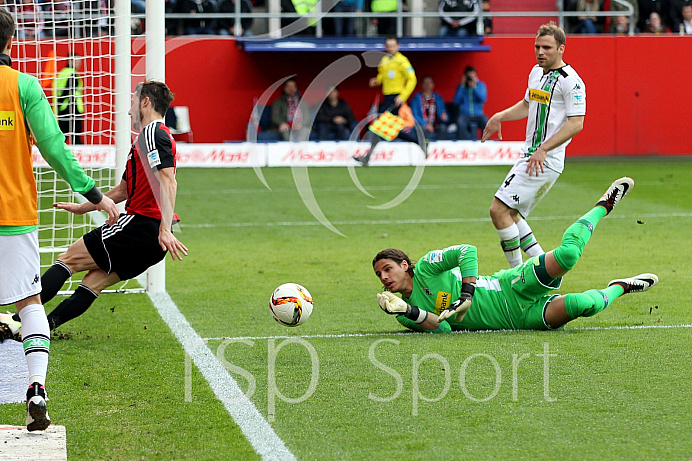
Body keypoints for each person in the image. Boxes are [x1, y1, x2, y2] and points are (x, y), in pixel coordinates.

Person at [0, 9, 119, 432]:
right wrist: (95, 195)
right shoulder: (23, 86)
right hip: (13, 217)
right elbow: (55, 150)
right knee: (30, 304)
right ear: (12, 43)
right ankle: (35, 388)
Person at [0, 80, 187, 345]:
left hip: (142, 227)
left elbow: (169, 180)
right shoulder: (148, 139)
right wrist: (86, 205)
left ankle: (18, 321)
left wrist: (164, 229)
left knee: (68, 259)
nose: (129, 109)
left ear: (146, 102)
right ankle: (46, 327)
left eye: (133, 102)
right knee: (93, 282)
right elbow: (123, 190)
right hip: (153, 241)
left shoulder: (152, 134)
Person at [374, 177, 658, 333]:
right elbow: (442, 329)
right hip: (521, 320)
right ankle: (620, 287)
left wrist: (467, 294)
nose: (384, 277)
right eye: (379, 275)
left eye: (387, 268)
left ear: (404, 265)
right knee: (582, 304)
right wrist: (407, 310)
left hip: (511, 286)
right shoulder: (402, 314)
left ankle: (603, 206)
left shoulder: (426, 267)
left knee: (569, 255)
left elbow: (466, 251)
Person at [481, 22, 586, 269]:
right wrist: (500, 116)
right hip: (531, 155)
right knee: (512, 214)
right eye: (537, 46)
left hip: (545, 159)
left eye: (547, 47)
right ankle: (547, 270)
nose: (540, 52)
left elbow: (576, 123)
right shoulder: (536, 72)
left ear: (561, 48)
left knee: (498, 211)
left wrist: (544, 148)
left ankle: (516, 275)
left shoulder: (571, 81)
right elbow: (528, 105)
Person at [354, 36, 417, 166]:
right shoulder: (384, 60)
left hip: (396, 99)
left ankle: (367, 157)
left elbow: (412, 79)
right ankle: (420, 142)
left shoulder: (402, 61)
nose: (390, 48)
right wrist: (376, 81)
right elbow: (383, 76)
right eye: (388, 45)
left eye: (393, 45)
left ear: (398, 46)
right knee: (386, 129)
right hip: (387, 98)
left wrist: (402, 97)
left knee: (377, 127)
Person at [409, 76, 449, 142]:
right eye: (425, 83)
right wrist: (425, 125)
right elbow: (414, 115)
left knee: (443, 128)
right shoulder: (416, 98)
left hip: (435, 126)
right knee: (421, 130)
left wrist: (444, 117)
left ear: (433, 85)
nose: (427, 85)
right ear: (421, 85)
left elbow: (445, 114)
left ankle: (439, 149)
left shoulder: (438, 98)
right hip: (423, 126)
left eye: (429, 83)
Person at [453, 65, 487, 141]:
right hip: (465, 115)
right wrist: (462, 86)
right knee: (460, 122)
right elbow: (456, 101)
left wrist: (474, 87)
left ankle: (484, 141)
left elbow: (483, 98)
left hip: (478, 115)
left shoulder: (480, 85)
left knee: (486, 121)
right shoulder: (461, 87)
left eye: (473, 76)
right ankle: (465, 142)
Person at [56, 54, 84, 145]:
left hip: (63, 107)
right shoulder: (72, 74)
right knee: (75, 135)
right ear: (70, 61)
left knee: (63, 134)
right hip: (72, 106)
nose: (79, 64)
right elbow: (68, 90)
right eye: (77, 61)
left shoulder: (62, 73)